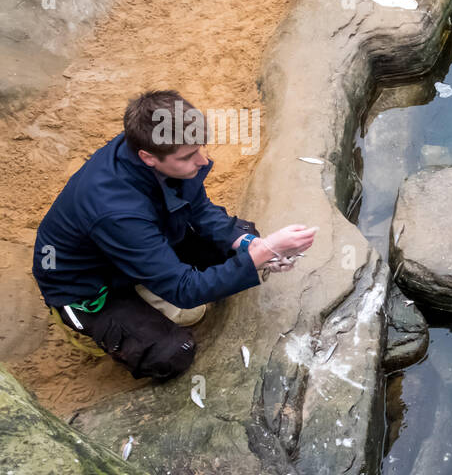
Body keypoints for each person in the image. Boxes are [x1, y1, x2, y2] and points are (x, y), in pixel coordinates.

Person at [31, 90, 318, 382]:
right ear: (148, 157)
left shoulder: (154, 144)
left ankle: (149, 281)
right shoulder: (116, 212)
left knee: (241, 241)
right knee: (170, 353)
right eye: (189, 156)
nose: (204, 161)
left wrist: (252, 245)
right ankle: (95, 324)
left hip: (139, 241)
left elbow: (200, 209)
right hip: (88, 285)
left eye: (201, 147)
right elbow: (184, 290)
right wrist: (263, 253)